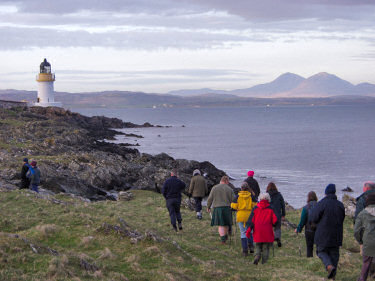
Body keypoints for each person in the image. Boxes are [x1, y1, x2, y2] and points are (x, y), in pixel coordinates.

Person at [310, 184, 345, 280]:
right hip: (336, 236)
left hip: (323, 235)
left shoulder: (321, 203)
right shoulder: (340, 205)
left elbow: (313, 217)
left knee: (321, 251)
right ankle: (332, 277)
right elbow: (342, 219)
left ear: (326, 193)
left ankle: (329, 266)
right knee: (334, 256)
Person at [246, 193, 278, 265]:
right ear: (268, 199)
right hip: (267, 230)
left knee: (257, 245)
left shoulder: (255, 208)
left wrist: (249, 229)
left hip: (257, 230)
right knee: (265, 247)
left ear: (260, 199)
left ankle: (257, 256)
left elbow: (251, 220)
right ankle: (264, 262)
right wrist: (274, 225)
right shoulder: (271, 208)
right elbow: (275, 220)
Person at [207, 176, 235, 244]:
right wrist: (234, 208)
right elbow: (233, 200)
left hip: (217, 208)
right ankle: (225, 236)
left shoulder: (214, 188)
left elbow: (210, 198)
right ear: (226, 181)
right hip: (227, 208)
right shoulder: (230, 189)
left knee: (221, 225)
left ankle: (223, 240)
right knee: (226, 224)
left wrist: (208, 207)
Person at [231, 182, 256, 256]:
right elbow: (256, 205)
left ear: (241, 188)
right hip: (249, 216)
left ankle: (245, 251)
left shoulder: (237, 196)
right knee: (250, 232)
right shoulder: (251, 196)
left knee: (243, 233)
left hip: (241, 215)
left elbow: (233, 206)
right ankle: (251, 247)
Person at [354, 193, 375, 281]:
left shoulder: (362, 214)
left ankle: (362, 279)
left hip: (368, 241)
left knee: (366, 263)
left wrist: (360, 242)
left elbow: (356, 231)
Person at [295, 191, 318, 257]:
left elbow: (302, 221)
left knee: (309, 248)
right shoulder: (320, 206)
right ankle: (319, 261)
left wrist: (298, 229)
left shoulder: (305, 208)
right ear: (316, 197)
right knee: (319, 248)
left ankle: (310, 260)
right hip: (318, 230)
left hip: (309, 231)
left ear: (308, 198)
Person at [266, 182, 285, 247]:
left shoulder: (266, 195)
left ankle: (270, 241)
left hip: (269, 215)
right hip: (277, 214)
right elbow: (283, 205)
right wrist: (283, 215)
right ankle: (278, 238)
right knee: (277, 227)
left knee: (269, 228)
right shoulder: (279, 195)